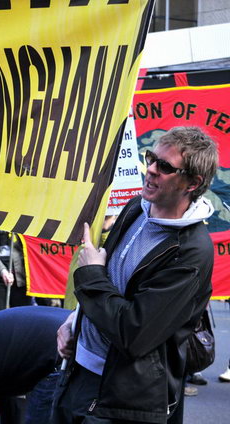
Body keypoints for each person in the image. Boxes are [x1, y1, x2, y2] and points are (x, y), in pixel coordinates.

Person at [54, 126, 218, 424]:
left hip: (123, 398)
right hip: (78, 371)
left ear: (192, 183)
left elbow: (134, 333)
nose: (151, 169)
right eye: (151, 158)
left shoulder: (191, 252)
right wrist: (73, 322)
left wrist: (89, 274)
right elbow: (111, 280)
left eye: (165, 166)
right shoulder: (137, 208)